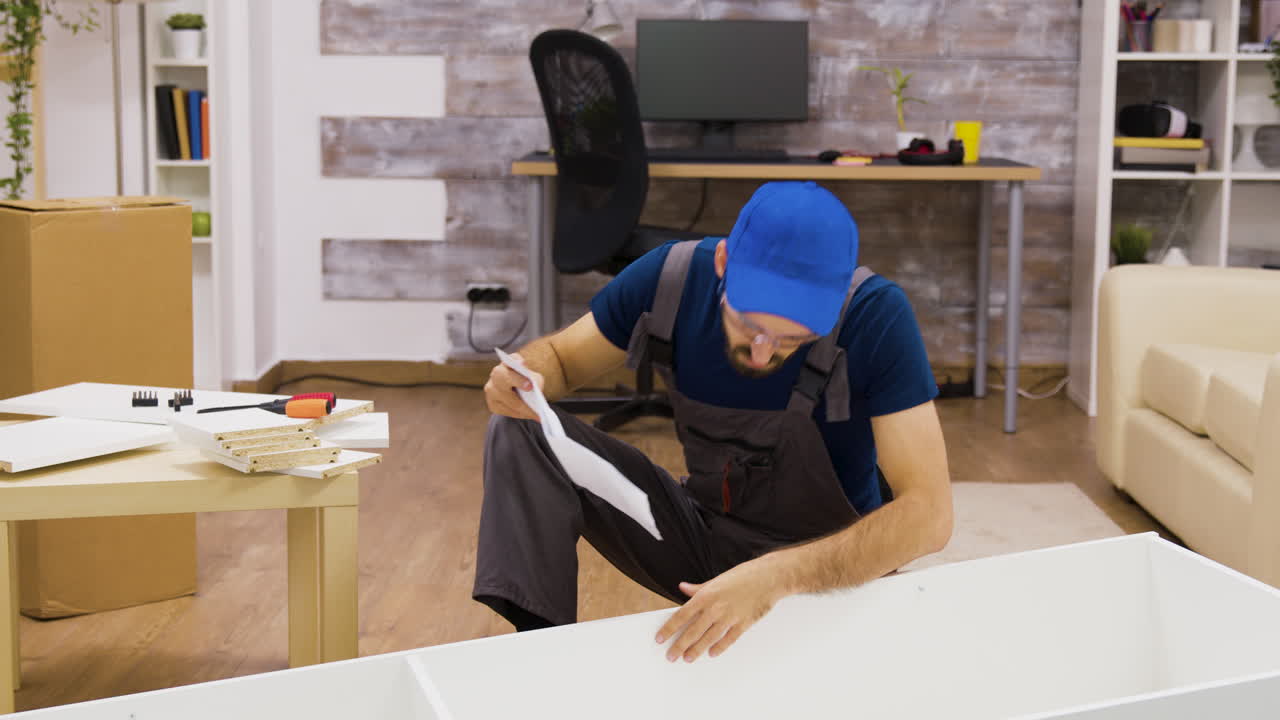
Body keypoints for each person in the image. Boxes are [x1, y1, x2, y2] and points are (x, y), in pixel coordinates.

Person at [475, 180, 952, 663]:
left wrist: (774, 577)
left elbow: (930, 516)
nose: (764, 351)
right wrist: (527, 375)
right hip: (705, 545)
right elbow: (559, 358)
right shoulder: (670, 281)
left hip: (832, 578)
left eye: (792, 339)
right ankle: (536, 659)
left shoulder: (876, 316)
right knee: (522, 429)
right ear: (723, 264)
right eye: (749, 325)